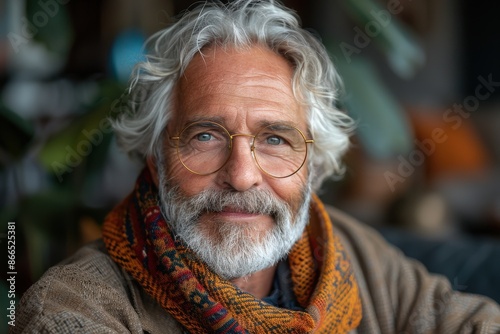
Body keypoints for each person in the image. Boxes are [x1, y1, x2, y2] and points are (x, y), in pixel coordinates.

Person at [13, 0, 500, 333]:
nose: (242, 175)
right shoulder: (73, 309)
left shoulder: (346, 253)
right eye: (205, 136)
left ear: (313, 163)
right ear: (156, 158)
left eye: (274, 139)